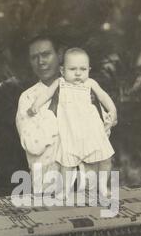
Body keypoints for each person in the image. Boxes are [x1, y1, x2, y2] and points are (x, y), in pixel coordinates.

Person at [15, 35, 116, 236]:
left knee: (90, 229)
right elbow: (31, 141)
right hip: (49, 173)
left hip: (84, 170)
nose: (41, 60)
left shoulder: (83, 88)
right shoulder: (30, 97)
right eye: (34, 57)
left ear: (58, 57)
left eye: (45, 54)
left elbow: (98, 129)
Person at [27, 47, 117, 201]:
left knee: (106, 158)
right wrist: (36, 104)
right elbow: (47, 95)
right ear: (62, 70)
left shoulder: (90, 83)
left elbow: (103, 96)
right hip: (70, 132)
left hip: (92, 131)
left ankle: (103, 185)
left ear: (89, 69)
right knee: (66, 164)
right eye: (72, 69)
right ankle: (64, 189)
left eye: (83, 69)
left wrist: (113, 110)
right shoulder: (60, 83)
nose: (78, 73)